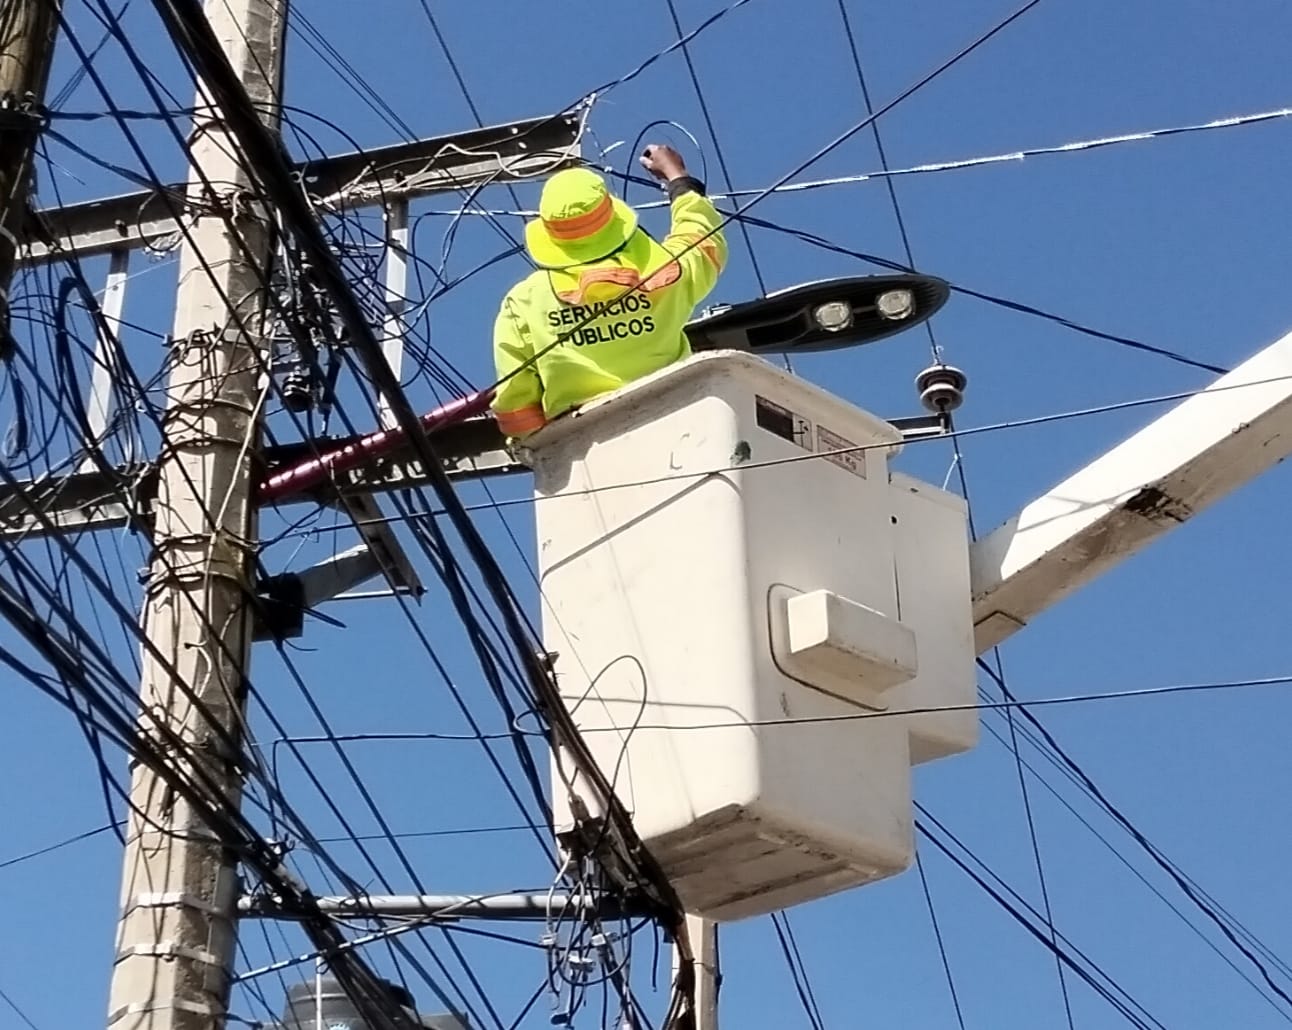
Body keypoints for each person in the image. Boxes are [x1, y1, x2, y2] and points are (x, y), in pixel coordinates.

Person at [490, 144, 728, 439]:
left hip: (582, 448)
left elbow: (517, 402)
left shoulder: (524, 302)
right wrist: (677, 179)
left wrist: (534, 448)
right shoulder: (666, 274)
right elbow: (702, 239)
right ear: (614, 219)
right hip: (678, 428)